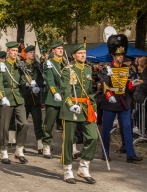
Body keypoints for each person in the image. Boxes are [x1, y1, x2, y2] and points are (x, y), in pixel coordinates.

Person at [101, 34, 143, 163]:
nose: (121, 56)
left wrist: (133, 85)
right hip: (111, 102)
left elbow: (128, 86)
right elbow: (105, 85)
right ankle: (105, 152)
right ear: (113, 55)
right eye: (118, 55)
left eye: (122, 55)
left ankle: (130, 154)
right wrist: (109, 96)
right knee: (107, 128)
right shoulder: (107, 68)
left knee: (127, 127)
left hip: (125, 101)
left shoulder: (128, 69)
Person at [60, 44, 98, 184]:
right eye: (80, 53)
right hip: (71, 108)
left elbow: (89, 93)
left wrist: (93, 108)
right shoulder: (68, 70)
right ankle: (67, 170)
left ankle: (83, 167)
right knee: (69, 140)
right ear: (74, 55)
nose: (83, 55)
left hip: (85, 107)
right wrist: (71, 105)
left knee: (93, 137)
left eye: (84, 53)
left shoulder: (88, 69)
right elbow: (65, 90)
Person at [0, 41, 29, 164]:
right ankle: (3, 150)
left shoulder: (20, 64)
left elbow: (23, 80)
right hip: (6, 96)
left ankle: (19, 149)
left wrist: (28, 82)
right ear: (8, 51)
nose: (15, 53)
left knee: (24, 123)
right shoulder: (1, 65)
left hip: (18, 96)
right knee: (4, 126)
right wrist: (1, 96)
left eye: (16, 51)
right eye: (12, 51)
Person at [42, 41, 65, 159]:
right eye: (58, 48)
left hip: (66, 96)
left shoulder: (66, 63)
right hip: (53, 96)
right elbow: (50, 79)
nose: (61, 50)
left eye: (62, 48)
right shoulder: (49, 63)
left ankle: (71, 146)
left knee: (68, 123)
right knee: (49, 122)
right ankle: (46, 145)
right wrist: (55, 92)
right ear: (53, 50)